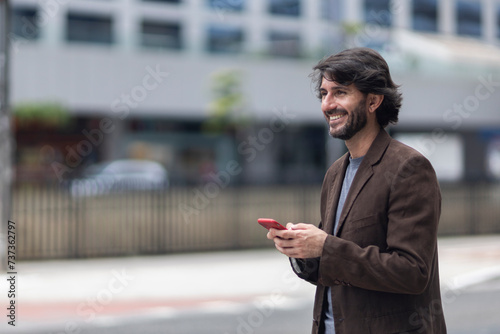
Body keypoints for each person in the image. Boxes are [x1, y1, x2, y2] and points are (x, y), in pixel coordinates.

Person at [267, 47, 447, 334]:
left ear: (374, 100)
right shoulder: (335, 173)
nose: (327, 105)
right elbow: (337, 268)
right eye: (323, 94)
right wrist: (303, 250)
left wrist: (325, 246)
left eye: (340, 92)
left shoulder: (409, 167)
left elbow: (412, 272)